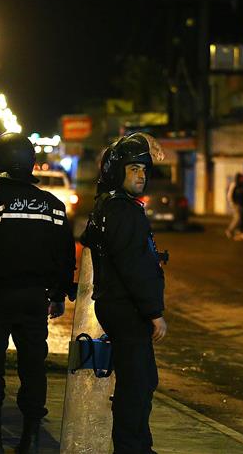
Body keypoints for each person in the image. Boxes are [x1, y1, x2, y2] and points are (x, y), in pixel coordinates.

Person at [0, 132, 76, 454]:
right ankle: (30, 438)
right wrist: (58, 295)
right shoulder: (53, 207)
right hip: (35, 299)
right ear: (30, 162)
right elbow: (65, 256)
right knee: (33, 367)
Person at [81, 133, 168, 454]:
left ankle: (135, 445)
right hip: (127, 309)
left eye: (144, 169)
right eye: (134, 169)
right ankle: (132, 448)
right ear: (118, 171)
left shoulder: (108, 205)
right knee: (137, 384)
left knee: (138, 381)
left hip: (116, 304)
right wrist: (154, 312)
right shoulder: (122, 210)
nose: (141, 175)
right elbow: (134, 267)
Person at [226, 172, 243, 240]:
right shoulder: (234, 184)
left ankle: (239, 232)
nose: (242, 179)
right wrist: (232, 203)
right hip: (236, 204)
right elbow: (229, 195)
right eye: (241, 178)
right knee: (238, 218)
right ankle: (230, 230)